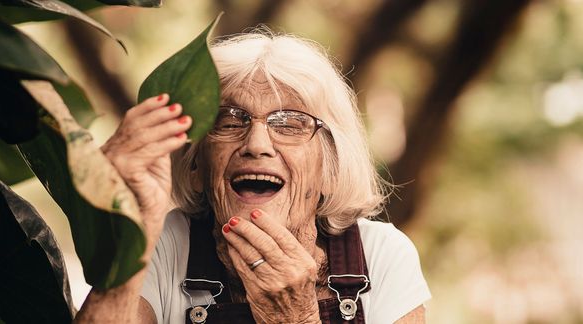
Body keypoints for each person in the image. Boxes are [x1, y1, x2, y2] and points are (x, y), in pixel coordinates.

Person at [75, 31, 431, 324]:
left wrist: (296, 319)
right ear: (197, 166)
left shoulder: (381, 254)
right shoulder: (164, 243)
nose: (256, 145)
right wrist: (132, 224)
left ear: (329, 167)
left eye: (290, 123)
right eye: (229, 121)